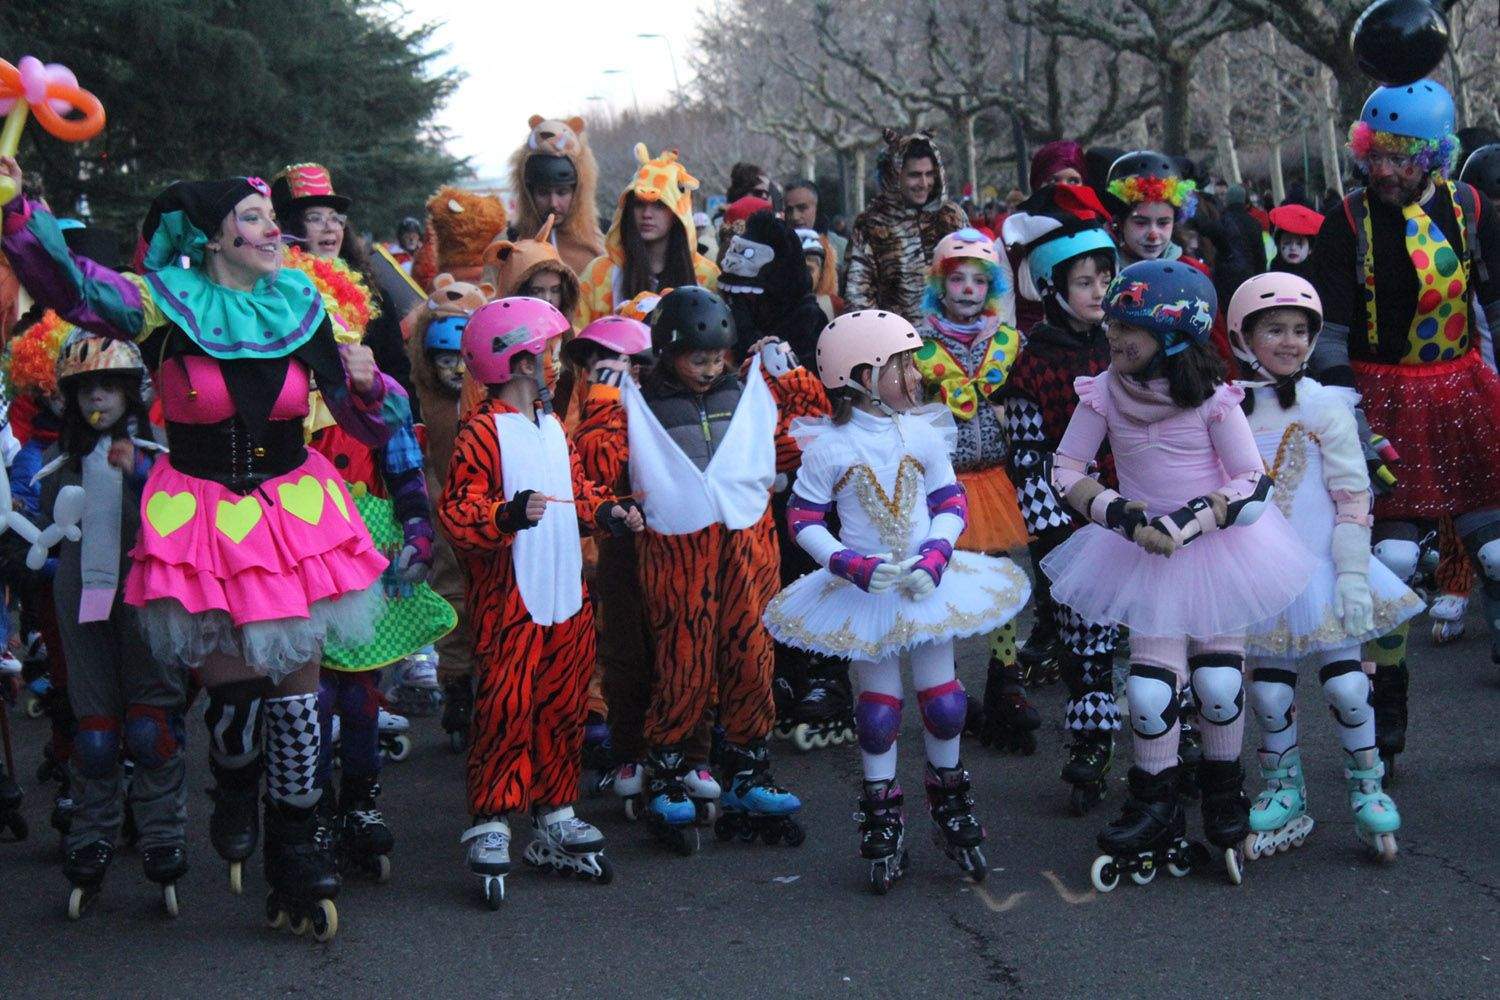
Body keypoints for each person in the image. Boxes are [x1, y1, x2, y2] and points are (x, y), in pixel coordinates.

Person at [2, 155, 393, 940]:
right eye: (251, 218)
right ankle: (234, 780)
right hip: (202, 514)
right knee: (237, 701)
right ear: (213, 239)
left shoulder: (301, 301)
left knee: (294, 699)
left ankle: (296, 851)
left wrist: (371, 381)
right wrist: (19, 214)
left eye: (270, 219)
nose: (272, 230)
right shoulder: (165, 301)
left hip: (295, 510)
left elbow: (367, 420)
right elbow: (78, 292)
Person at [1041, 259, 1313, 891]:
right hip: (1141, 549)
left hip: (1217, 551)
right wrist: (1121, 514)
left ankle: (1223, 796)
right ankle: (1154, 803)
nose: (1114, 335)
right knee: (1149, 694)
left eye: (1128, 325)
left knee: (1219, 684)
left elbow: (1252, 481)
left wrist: (1192, 520)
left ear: (1173, 332)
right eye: (1111, 321)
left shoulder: (1216, 401)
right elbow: (1066, 468)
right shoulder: (1103, 390)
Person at [765, 310, 1030, 892]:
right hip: (868, 591)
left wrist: (937, 552)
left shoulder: (922, 431)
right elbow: (803, 517)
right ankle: (882, 812)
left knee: (945, 701)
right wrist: (849, 564)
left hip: (926, 583)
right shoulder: (828, 448)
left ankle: (951, 796)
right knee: (878, 711)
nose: (916, 379)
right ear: (859, 375)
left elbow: (949, 499)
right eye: (902, 367)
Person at [572, 287, 826, 854]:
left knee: (751, 654)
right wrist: (603, 402)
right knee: (683, 656)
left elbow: (810, 440)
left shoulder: (750, 393)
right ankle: (666, 769)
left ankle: (748, 770)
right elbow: (596, 462)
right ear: (666, 352)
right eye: (698, 359)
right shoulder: (641, 400)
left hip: (747, 544)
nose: (711, 369)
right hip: (676, 547)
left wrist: (793, 380)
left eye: (718, 358)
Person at [1309, 80, 1500, 783]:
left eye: (1404, 158)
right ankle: (1387, 714)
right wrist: (1348, 417)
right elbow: (1325, 333)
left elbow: (1495, 303)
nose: (1386, 171)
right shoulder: (1348, 222)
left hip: (1465, 394)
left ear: (1436, 157)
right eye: (1376, 155)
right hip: (1382, 400)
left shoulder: (1471, 209)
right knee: (1391, 563)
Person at [439, 297, 642, 907]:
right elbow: (458, 510)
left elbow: (573, 488)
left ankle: (555, 809)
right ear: (522, 360)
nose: (556, 363)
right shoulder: (480, 430)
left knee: (562, 704)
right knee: (506, 703)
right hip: (512, 600)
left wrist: (605, 510)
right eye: (550, 352)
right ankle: (494, 816)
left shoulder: (553, 425)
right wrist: (503, 515)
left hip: (565, 595)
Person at [1225, 273, 1421, 864]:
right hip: (1258, 573)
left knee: (1348, 684)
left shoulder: (1326, 406)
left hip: (1325, 569)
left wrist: (1355, 576)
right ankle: (1284, 788)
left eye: (1299, 331)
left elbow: (1351, 496)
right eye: (1274, 330)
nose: (1288, 342)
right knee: (1267, 693)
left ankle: (1367, 786)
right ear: (1243, 336)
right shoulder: (1225, 407)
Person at [36, 332, 182, 918]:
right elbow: (29, 509)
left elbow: (185, 510)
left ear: (130, 391)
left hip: (146, 592)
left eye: (108, 385)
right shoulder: (55, 458)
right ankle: (92, 837)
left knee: (150, 727)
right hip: (81, 598)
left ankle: (162, 835)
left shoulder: (159, 449)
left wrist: (144, 471)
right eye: (86, 388)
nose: (97, 397)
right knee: (95, 732)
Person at [999, 182, 1124, 812]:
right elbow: (1027, 453)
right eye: (1084, 282)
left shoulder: (1126, 348)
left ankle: (1178, 737)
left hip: (1140, 503)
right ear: (1051, 289)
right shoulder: (1033, 363)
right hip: (1073, 515)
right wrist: (1051, 529)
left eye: (1105, 277)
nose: (1099, 290)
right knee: (1086, 636)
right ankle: (1091, 740)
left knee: (1157, 625)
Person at [907, 229, 1034, 753]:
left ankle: (1006, 678)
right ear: (940, 284)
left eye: (978, 281)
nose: (967, 289)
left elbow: (1021, 397)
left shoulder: (1006, 341)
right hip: (944, 482)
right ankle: (950, 685)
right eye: (957, 279)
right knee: (947, 584)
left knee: (1000, 578)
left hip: (994, 477)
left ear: (992, 287)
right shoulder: (919, 347)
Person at [404, 275, 493, 751]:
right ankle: (457, 684)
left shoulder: (490, 399)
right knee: (452, 598)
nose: (455, 370)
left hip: (486, 508)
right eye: (444, 360)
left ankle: (494, 683)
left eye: (462, 359)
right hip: (443, 511)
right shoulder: (425, 399)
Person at [577, 144, 719, 326]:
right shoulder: (599, 274)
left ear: (678, 212)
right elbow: (578, 340)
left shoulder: (707, 276)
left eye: (659, 205)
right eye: (638, 204)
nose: (647, 214)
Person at [845, 129, 972, 324]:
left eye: (929, 174)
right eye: (915, 175)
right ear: (895, 176)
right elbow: (858, 294)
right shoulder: (871, 224)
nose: (924, 183)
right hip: (898, 343)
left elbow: (977, 274)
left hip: (954, 338)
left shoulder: (952, 217)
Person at [506, 115, 606, 276]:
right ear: (528, 193)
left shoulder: (602, 239)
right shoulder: (510, 241)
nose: (553, 203)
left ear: (578, 191)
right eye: (543, 193)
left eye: (562, 192)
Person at [1105, 150, 1198, 267]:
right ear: (1119, 222)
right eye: (1141, 223)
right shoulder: (1101, 272)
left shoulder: (1191, 270)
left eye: (1163, 223)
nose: (1153, 235)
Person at [1268, 204, 1325, 280]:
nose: (1293, 248)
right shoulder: (1272, 274)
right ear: (1279, 244)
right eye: (1287, 242)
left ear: (1310, 249)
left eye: (1299, 243)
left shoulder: (1319, 275)